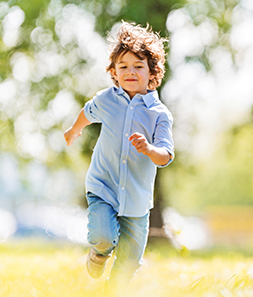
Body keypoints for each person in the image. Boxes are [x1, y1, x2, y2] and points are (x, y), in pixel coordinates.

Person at [64, 21, 174, 285]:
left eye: (138, 67)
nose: (130, 72)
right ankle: (99, 254)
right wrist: (73, 130)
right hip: (104, 186)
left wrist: (149, 149)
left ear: (153, 73)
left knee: (129, 261)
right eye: (123, 67)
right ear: (113, 72)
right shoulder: (107, 100)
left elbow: (166, 155)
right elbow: (87, 112)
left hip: (137, 199)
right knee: (103, 236)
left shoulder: (159, 114)